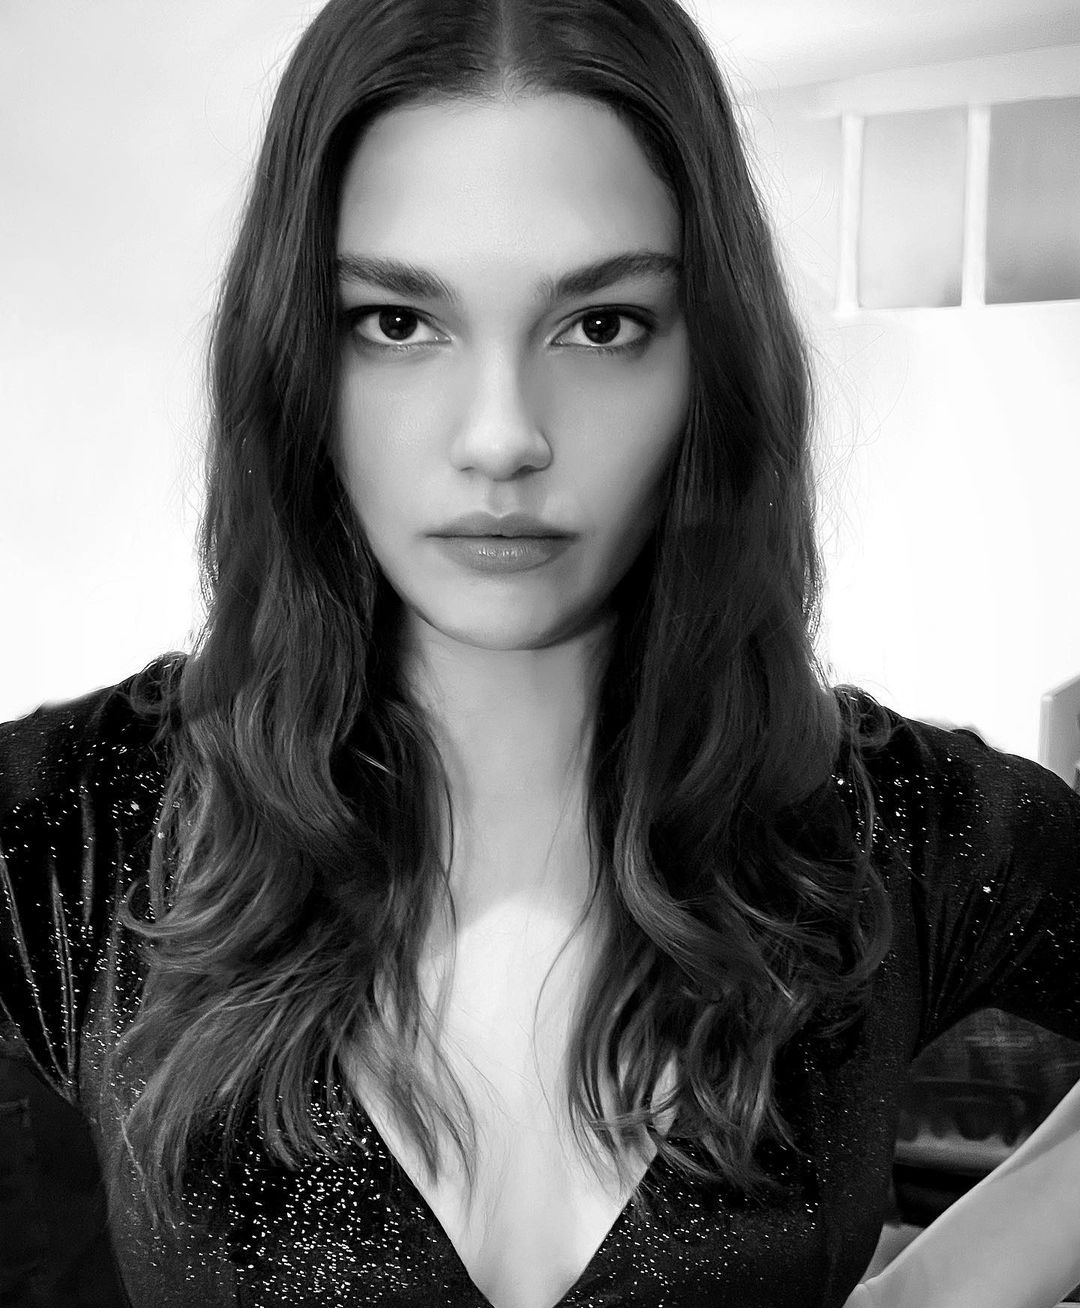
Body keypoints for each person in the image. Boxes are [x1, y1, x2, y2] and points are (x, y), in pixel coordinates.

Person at [1, 0, 1078, 1305]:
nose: (503, 436)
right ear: (293, 360)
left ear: (710, 362)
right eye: (397, 323)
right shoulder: (73, 829)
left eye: (601, 325)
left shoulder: (888, 825)